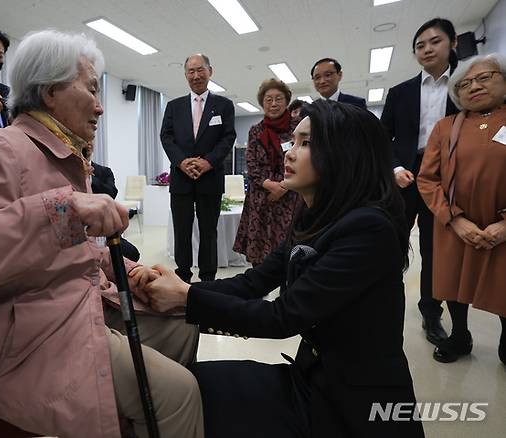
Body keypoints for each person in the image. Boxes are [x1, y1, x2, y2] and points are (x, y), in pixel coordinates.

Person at [0, 30, 204, 438]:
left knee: (183, 320)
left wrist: (130, 270)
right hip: (19, 338)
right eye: (93, 89)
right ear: (48, 93)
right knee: (179, 393)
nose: (100, 107)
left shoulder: (63, 158)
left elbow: (64, 250)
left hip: (68, 307)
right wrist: (61, 210)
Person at [146, 101, 424, 438]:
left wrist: (186, 298)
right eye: (293, 141)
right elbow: (254, 281)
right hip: (310, 379)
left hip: (351, 407)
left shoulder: (368, 229)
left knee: (189, 393)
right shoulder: (313, 216)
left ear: (346, 154)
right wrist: (171, 289)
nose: (289, 153)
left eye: (307, 143)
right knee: (187, 383)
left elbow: (284, 316)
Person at [417, 53, 506, 364]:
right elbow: (427, 179)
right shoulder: (445, 127)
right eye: (465, 84)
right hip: (455, 221)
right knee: (454, 281)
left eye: (484, 78)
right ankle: (459, 335)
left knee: (502, 281)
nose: (474, 86)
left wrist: (504, 226)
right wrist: (455, 219)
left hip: (501, 223)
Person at [381, 17, 460, 346]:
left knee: (434, 247)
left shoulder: (465, 86)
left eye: (435, 42)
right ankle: (382, 302)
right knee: (389, 242)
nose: (427, 49)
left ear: (453, 44)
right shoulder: (400, 92)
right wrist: (395, 167)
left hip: (448, 173)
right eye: (420, 45)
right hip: (407, 172)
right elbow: (384, 137)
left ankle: (431, 312)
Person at [160, 53, 236, 282]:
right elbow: (166, 137)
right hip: (181, 179)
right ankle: (182, 277)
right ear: (185, 75)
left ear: (210, 71)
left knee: (209, 232)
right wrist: (182, 162)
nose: (196, 75)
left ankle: (207, 279)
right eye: (191, 71)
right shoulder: (174, 106)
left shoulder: (224, 105)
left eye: (200, 70)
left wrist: (208, 162)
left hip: (210, 178)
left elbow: (228, 137)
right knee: (182, 232)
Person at [233, 78, 302, 266]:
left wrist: (283, 187)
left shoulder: (298, 128)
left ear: (286, 101)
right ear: (262, 103)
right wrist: (269, 184)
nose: (273, 104)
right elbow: (252, 163)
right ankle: (258, 293)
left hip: (290, 198)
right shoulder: (256, 131)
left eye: (278, 98)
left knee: (288, 253)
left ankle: (288, 292)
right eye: (268, 99)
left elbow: (303, 160)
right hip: (260, 197)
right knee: (259, 255)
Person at [83, 143, 141, 262]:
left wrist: (89, 178)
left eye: (91, 141)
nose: (88, 145)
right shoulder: (68, 171)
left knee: (133, 254)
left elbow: (111, 193)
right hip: (80, 232)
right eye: (84, 141)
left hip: (104, 229)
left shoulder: (104, 171)